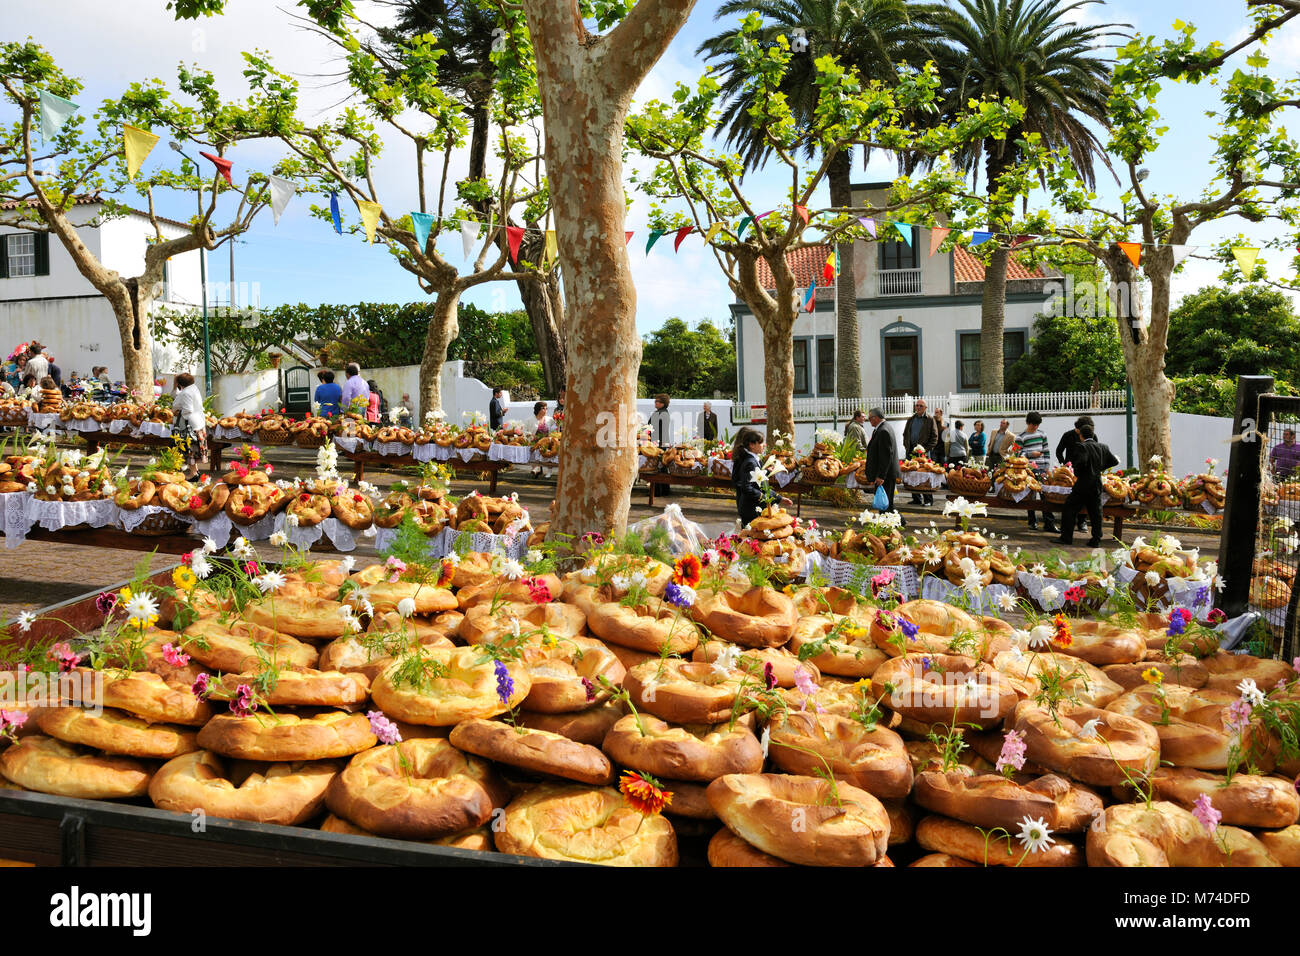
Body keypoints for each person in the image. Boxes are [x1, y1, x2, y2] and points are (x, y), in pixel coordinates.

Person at [1055, 423, 1119, 547]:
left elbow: (1081, 463)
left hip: (1083, 482)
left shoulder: (1081, 446)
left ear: (1081, 436)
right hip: (1096, 483)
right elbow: (1114, 461)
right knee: (1096, 512)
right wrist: (1099, 468)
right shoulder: (1103, 447)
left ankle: (1066, 537)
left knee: (1070, 508)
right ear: (1093, 435)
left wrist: (1077, 472)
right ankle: (1096, 539)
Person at [731, 427, 791, 526]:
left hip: (752, 508)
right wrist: (764, 498)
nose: (764, 445)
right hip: (751, 510)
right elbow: (747, 487)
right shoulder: (750, 462)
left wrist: (779, 498)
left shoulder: (754, 460)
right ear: (752, 445)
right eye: (761, 443)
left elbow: (760, 485)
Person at [1020, 411, 1057, 533]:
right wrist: (1031, 454)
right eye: (1033, 424)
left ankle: (1049, 523)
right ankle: (1032, 522)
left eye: (1037, 424)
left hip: (1042, 469)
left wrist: (1047, 467)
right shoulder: (1020, 437)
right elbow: (1017, 454)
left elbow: (1046, 452)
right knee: (1030, 496)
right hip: (1028, 470)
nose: (1035, 427)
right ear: (1028, 423)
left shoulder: (1042, 435)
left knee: (1045, 496)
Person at [1057, 415, 1093, 534]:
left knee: (1084, 497)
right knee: (1068, 499)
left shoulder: (1092, 437)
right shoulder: (1068, 435)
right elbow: (1059, 451)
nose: (1077, 431)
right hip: (1070, 471)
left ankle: (1082, 521)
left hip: (1084, 472)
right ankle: (1067, 523)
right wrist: (1064, 465)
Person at [861, 408, 901, 513]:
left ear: (876, 418)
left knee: (885, 506)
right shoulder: (883, 428)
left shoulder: (883, 430)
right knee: (887, 504)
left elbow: (886, 455)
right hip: (885, 474)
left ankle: (891, 525)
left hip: (885, 475)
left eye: (870, 418)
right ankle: (900, 522)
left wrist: (881, 476)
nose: (869, 421)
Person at [171, 372, 208, 481]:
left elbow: (188, 410)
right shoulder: (193, 388)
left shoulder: (186, 393)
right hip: (197, 423)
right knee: (194, 450)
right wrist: (175, 384)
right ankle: (195, 471)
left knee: (190, 450)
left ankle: (193, 474)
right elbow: (176, 396)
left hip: (190, 426)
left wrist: (177, 412)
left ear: (180, 383)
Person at [901, 399, 938, 505]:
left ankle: (928, 500)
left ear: (925, 408)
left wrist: (925, 449)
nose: (918, 407)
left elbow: (934, 437)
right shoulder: (911, 419)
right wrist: (906, 445)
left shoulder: (930, 419)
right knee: (912, 475)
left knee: (925, 475)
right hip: (911, 452)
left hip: (923, 453)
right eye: (917, 405)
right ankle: (916, 498)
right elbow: (905, 434)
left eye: (921, 406)